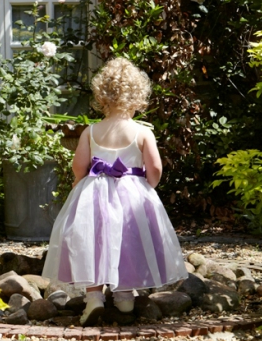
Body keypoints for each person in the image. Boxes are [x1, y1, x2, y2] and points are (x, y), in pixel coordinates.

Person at [43, 57, 188, 325]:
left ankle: (94, 297)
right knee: (128, 240)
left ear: (102, 96)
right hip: (132, 192)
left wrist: (81, 183)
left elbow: (79, 167)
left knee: (93, 242)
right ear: (138, 98)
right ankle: (124, 296)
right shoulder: (142, 132)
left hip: (94, 193)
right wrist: (148, 189)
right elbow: (155, 168)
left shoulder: (91, 131)